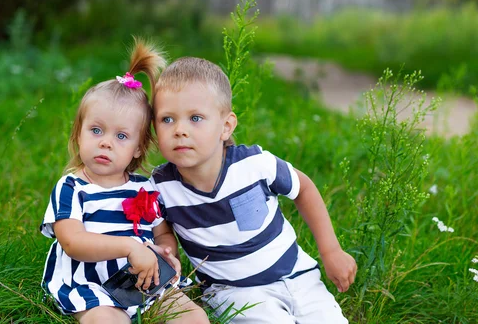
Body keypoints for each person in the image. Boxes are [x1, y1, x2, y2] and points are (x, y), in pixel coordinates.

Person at [151, 57, 357, 323]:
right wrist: (168, 252)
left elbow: (303, 188)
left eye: (196, 118)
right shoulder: (161, 186)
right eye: (167, 119)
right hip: (234, 292)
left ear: (226, 126)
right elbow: (162, 229)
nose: (180, 130)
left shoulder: (254, 165)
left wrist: (331, 251)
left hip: (297, 277)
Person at [40, 42, 209, 324]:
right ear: (78, 135)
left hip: (144, 279)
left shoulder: (144, 188)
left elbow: (162, 234)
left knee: (193, 318)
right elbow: (73, 242)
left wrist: (167, 254)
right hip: (90, 284)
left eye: (121, 136)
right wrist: (130, 247)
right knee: (109, 321)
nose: (105, 142)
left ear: (139, 148)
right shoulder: (71, 188)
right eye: (96, 130)